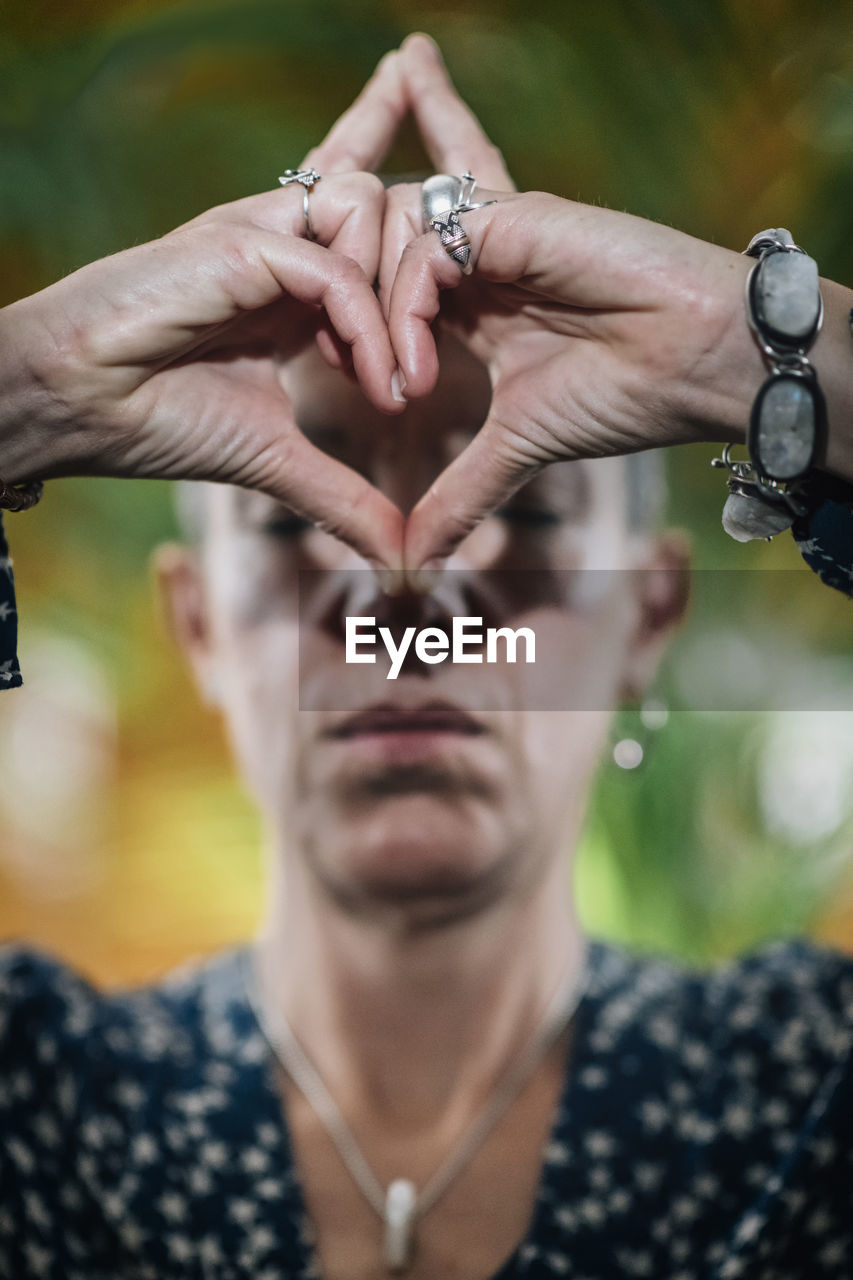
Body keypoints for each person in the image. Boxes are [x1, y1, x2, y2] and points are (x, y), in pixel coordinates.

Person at [0, 32, 851, 1280]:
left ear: (648, 617)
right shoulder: (35, 1105)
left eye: (532, 512)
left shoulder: (809, 1091)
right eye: (297, 516)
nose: (403, 588)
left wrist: (770, 354)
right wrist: (20, 386)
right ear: (197, 626)